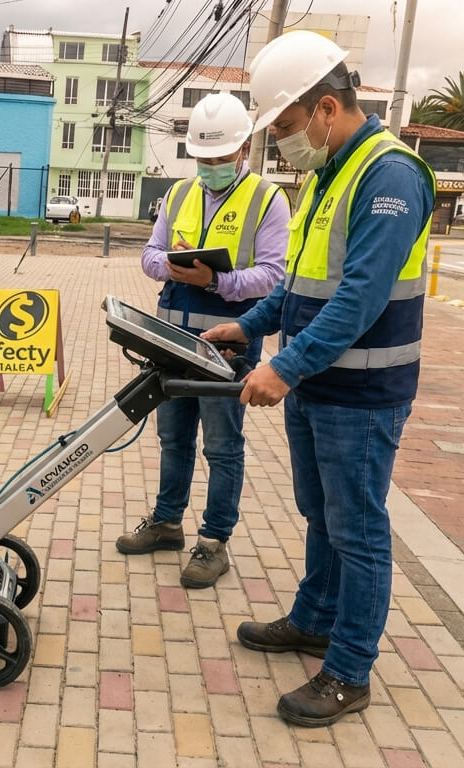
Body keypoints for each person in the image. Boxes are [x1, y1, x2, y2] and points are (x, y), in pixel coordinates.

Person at [201, 30, 436, 727]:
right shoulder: (333, 172)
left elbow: (359, 297)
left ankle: (349, 669)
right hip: (318, 386)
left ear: (327, 109)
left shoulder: (389, 176)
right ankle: (313, 619)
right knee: (320, 516)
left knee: (358, 529)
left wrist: (287, 363)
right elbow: (306, 284)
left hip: (363, 395)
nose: (283, 142)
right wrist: (249, 326)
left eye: (286, 125)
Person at [116, 92, 289, 589]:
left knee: (222, 446)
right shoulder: (177, 195)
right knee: (173, 437)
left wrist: (212, 282)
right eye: (202, 158)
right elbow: (149, 255)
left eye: (219, 158)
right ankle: (167, 523)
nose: (210, 167)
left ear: (242, 150)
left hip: (227, 345)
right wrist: (170, 263)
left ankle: (213, 543)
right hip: (170, 340)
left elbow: (274, 276)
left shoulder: (267, 199)